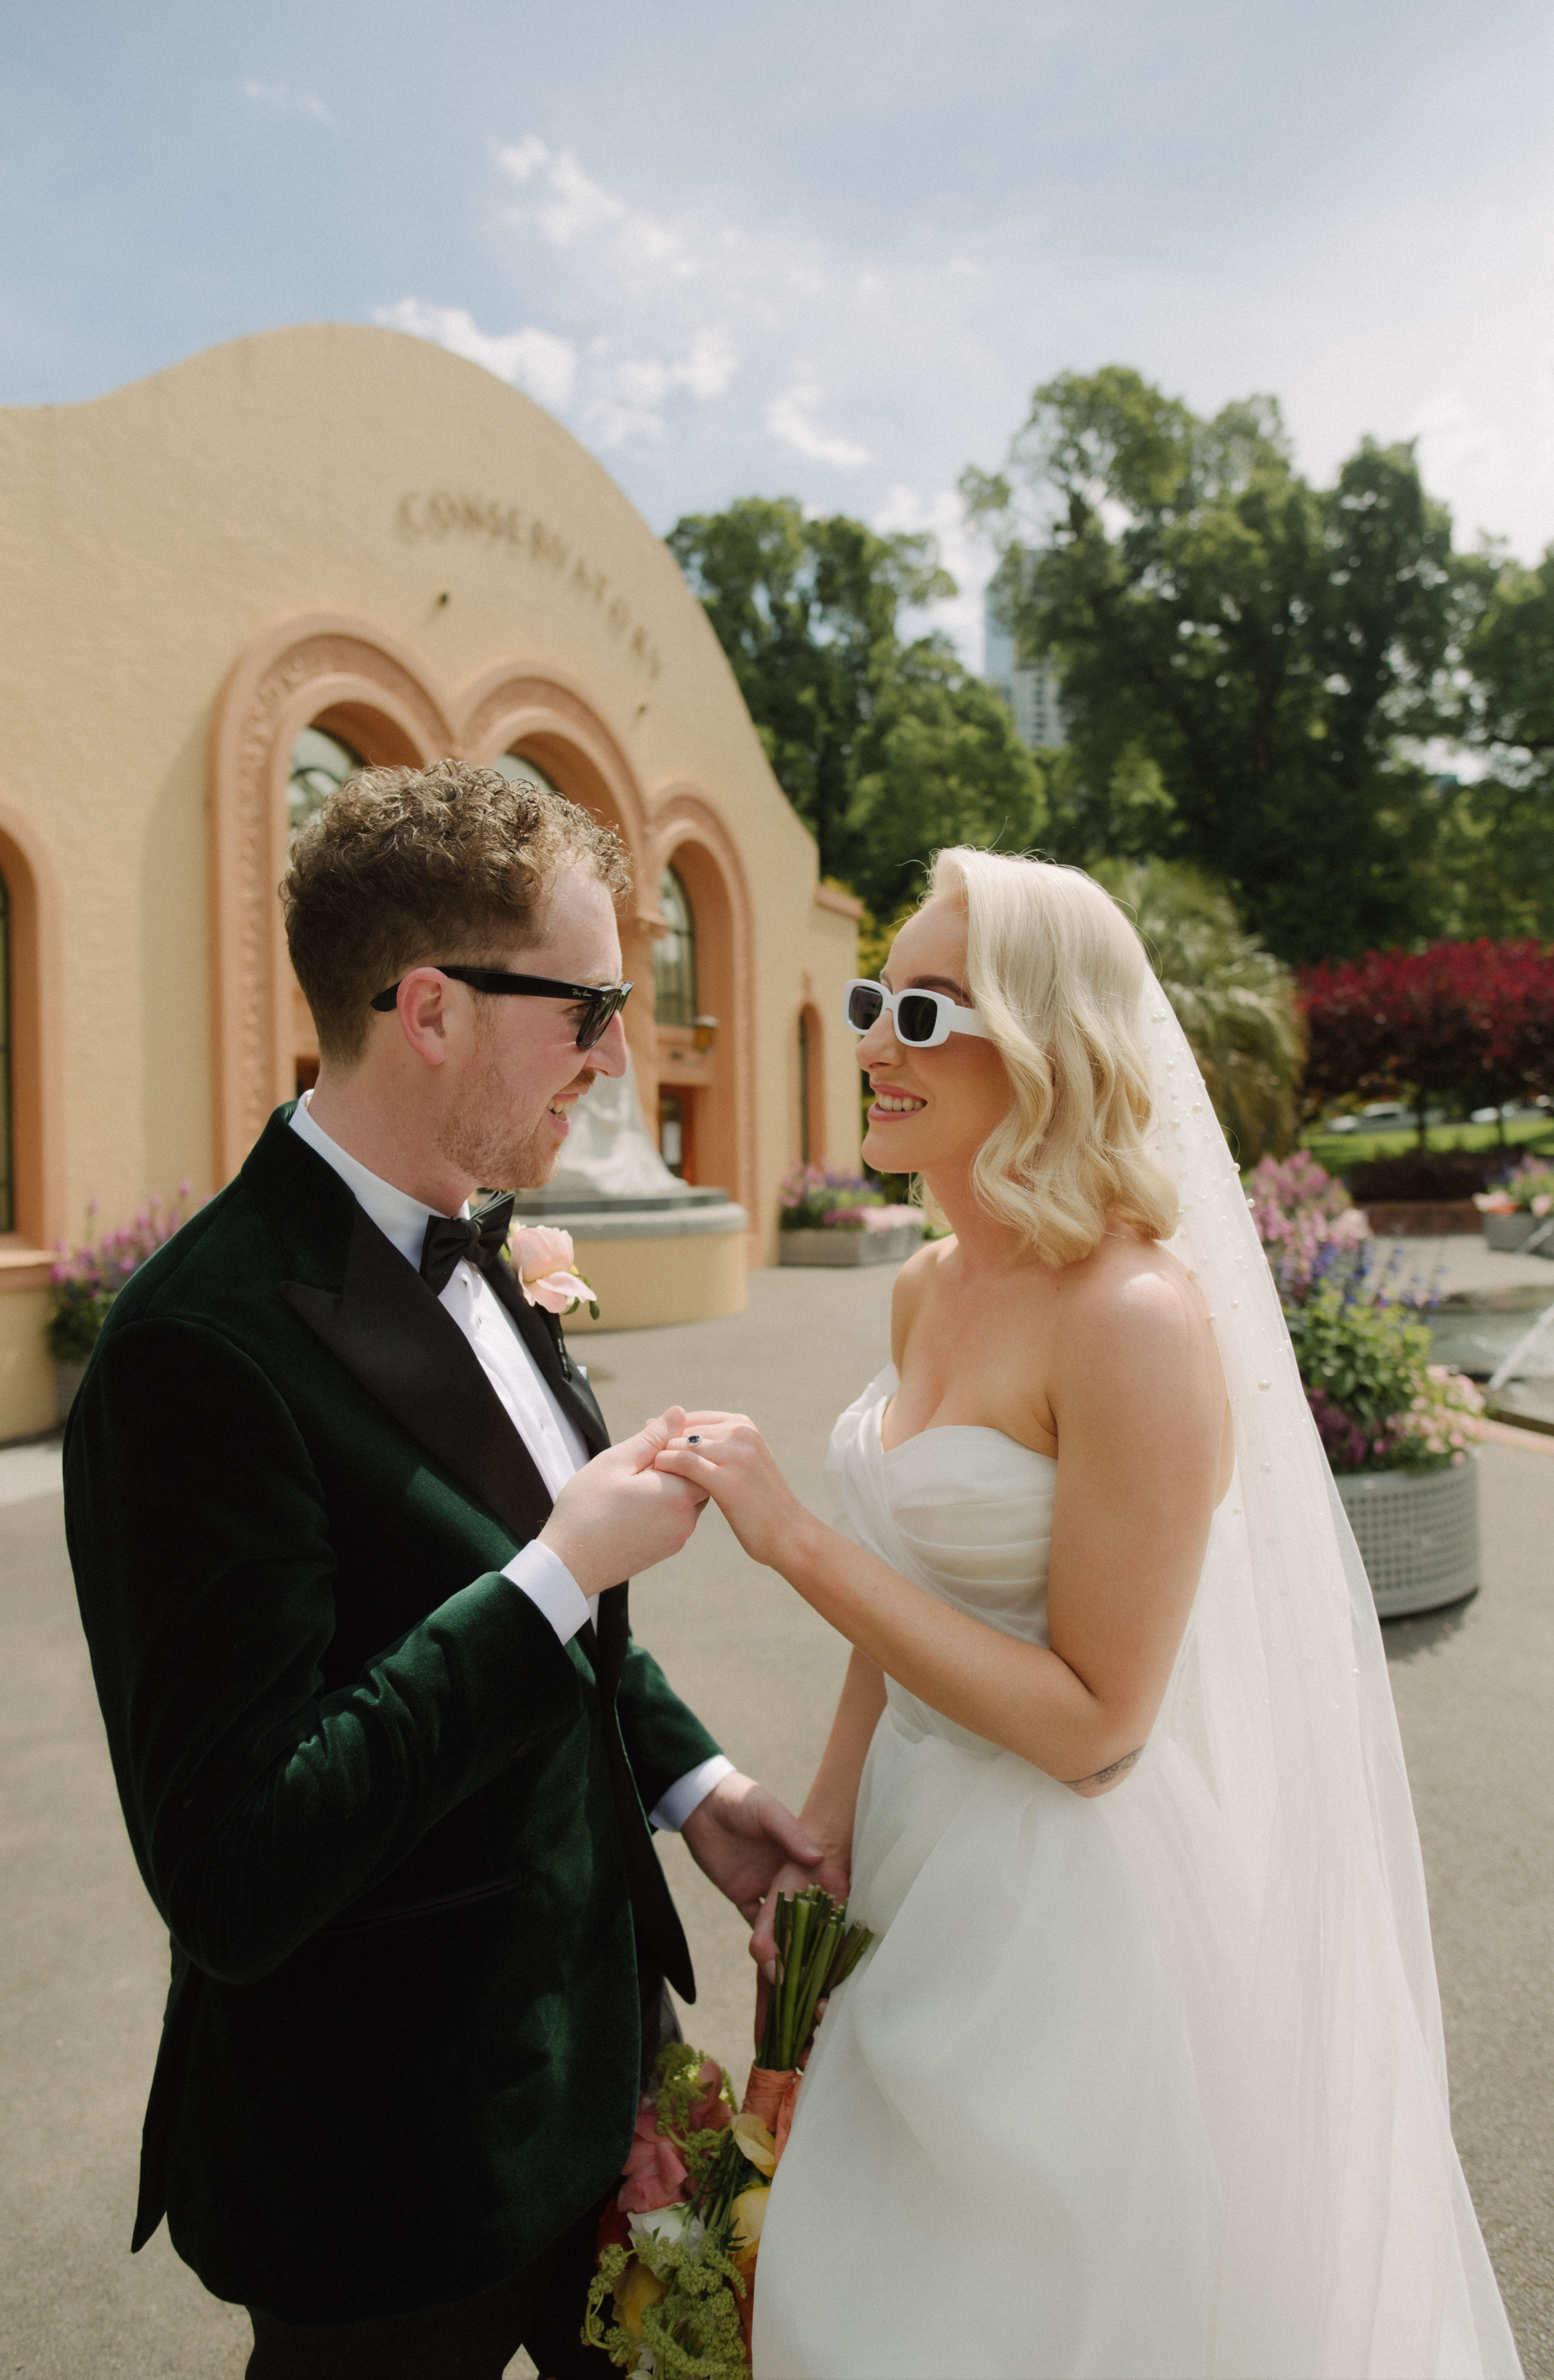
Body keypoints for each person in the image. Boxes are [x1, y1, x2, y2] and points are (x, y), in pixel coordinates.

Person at [657, 847, 1523, 2380]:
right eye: (874, 1003)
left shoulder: (1132, 1318)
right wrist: (829, 1836)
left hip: (1061, 1921)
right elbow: (907, 1605)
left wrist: (792, 1537)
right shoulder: (927, 1285)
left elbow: (1100, 1727)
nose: (870, 1043)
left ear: (1046, 1041)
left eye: (921, 1013)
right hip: (912, 1867)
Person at [66, 762, 821, 2379]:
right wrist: (556, 1570)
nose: (620, 1054)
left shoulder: (482, 1244)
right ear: (428, 1009)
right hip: (385, 2170)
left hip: (602, 2072)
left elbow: (557, 1622)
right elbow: (241, 1863)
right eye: (590, 1006)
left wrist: (698, 1790)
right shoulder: (199, 1351)